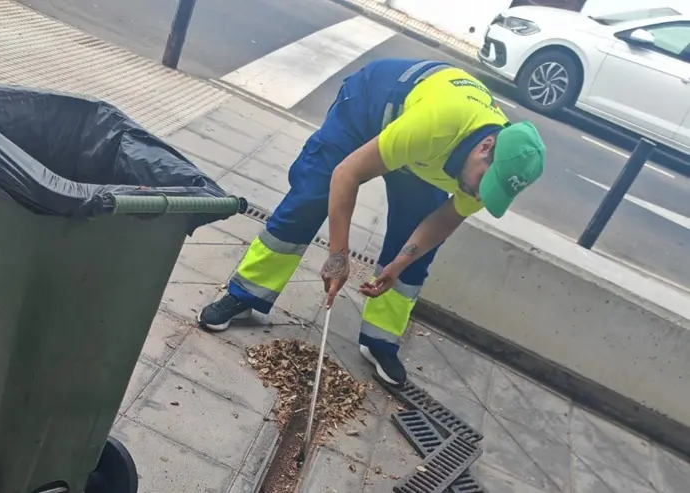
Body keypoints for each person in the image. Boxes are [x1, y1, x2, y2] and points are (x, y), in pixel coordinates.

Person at [197, 58, 545, 386]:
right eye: (485, 184)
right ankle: (245, 294)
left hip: (421, 154)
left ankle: (380, 340)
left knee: (416, 247)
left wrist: (400, 262)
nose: (482, 196)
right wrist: (338, 257)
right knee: (311, 197)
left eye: (492, 192)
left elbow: (443, 221)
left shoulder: (490, 174)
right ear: (484, 147)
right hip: (368, 109)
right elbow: (346, 174)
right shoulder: (438, 124)